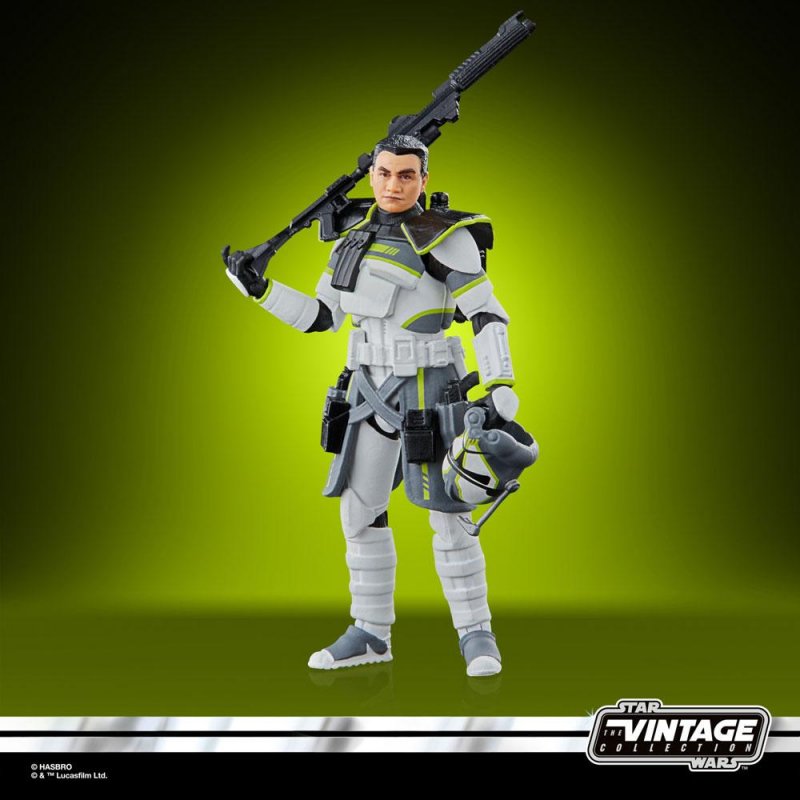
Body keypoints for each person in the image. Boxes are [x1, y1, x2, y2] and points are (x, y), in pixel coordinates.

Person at [225, 134, 527, 676]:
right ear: (371, 175)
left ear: (423, 179)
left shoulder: (445, 237)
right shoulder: (353, 239)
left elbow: (487, 312)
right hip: (369, 390)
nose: (393, 185)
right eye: (385, 173)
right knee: (359, 512)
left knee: (451, 517)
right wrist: (261, 291)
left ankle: (476, 633)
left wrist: (501, 382)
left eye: (406, 175)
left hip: (431, 388)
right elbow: (322, 317)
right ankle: (370, 632)